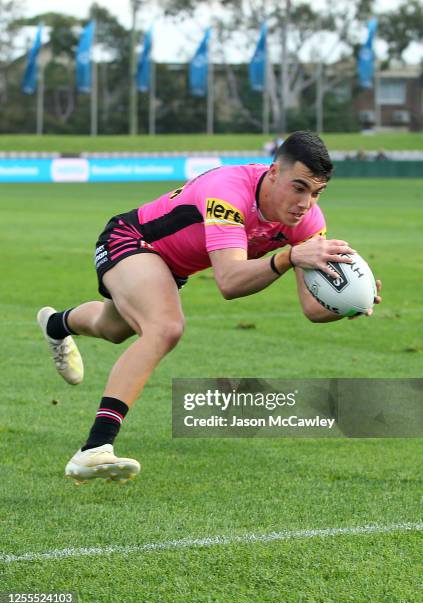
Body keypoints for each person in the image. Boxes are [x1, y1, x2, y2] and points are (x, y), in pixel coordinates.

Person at [37, 131, 381, 484]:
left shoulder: (306, 222)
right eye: (299, 187)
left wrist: (352, 304)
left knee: (112, 329)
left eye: (316, 193)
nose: (306, 203)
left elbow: (312, 308)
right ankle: (94, 449)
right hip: (132, 239)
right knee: (165, 327)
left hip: (171, 269)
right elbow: (230, 282)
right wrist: (288, 257)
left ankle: (57, 325)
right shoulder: (229, 191)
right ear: (274, 172)